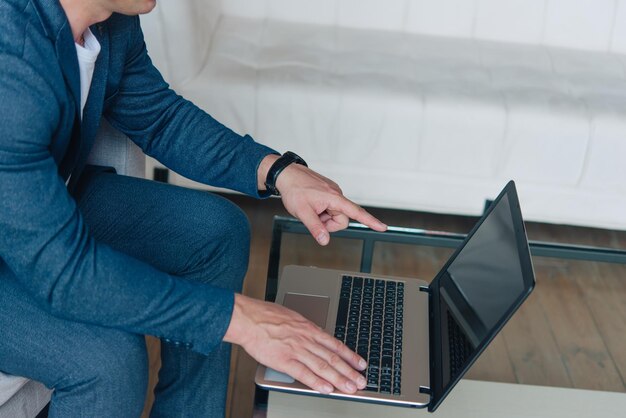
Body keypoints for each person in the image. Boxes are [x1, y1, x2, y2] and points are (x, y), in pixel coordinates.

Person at [0, 0, 388, 416]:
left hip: (40, 210)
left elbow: (159, 117)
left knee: (216, 231)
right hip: (24, 252)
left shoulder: (111, 21)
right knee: (108, 359)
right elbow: (65, 272)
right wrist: (244, 321)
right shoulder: (12, 60)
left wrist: (279, 172)